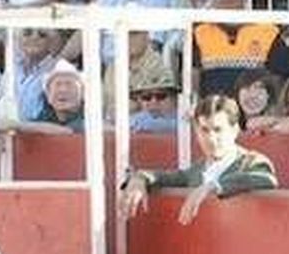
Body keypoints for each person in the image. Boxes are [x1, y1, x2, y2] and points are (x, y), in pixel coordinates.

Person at [118, 94, 277, 225]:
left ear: (234, 130)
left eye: (218, 130)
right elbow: (163, 176)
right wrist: (139, 178)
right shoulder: (196, 170)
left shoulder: (251, 161)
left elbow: (266, 179)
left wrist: (212, 186)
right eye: (204, 130)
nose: (211, 138)